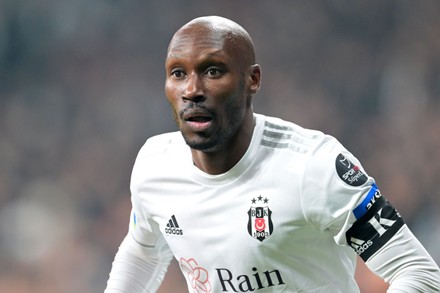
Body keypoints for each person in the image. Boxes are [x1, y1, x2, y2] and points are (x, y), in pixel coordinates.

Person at [105, 16, 440, 292]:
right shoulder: (155, 166)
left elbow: (418, 274)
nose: (192, 90)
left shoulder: (313, 167)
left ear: (252, 79)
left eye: (213, 71)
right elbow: (143, 252)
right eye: (178, 73)